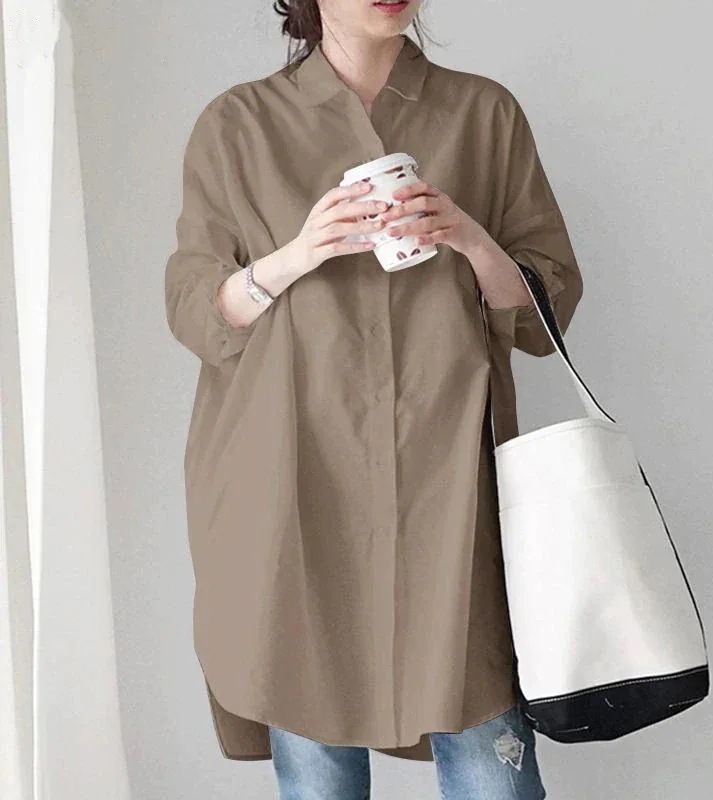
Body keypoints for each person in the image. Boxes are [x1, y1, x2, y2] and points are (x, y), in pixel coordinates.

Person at [164, 0, 583, 797]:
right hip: (290, 480)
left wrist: (468, 236)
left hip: (451, 484)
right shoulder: (239, 125)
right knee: (315, 748)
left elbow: (545, 312)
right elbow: (194, 310)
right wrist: (299, 253)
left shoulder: (483, 114)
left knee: (486, 748)